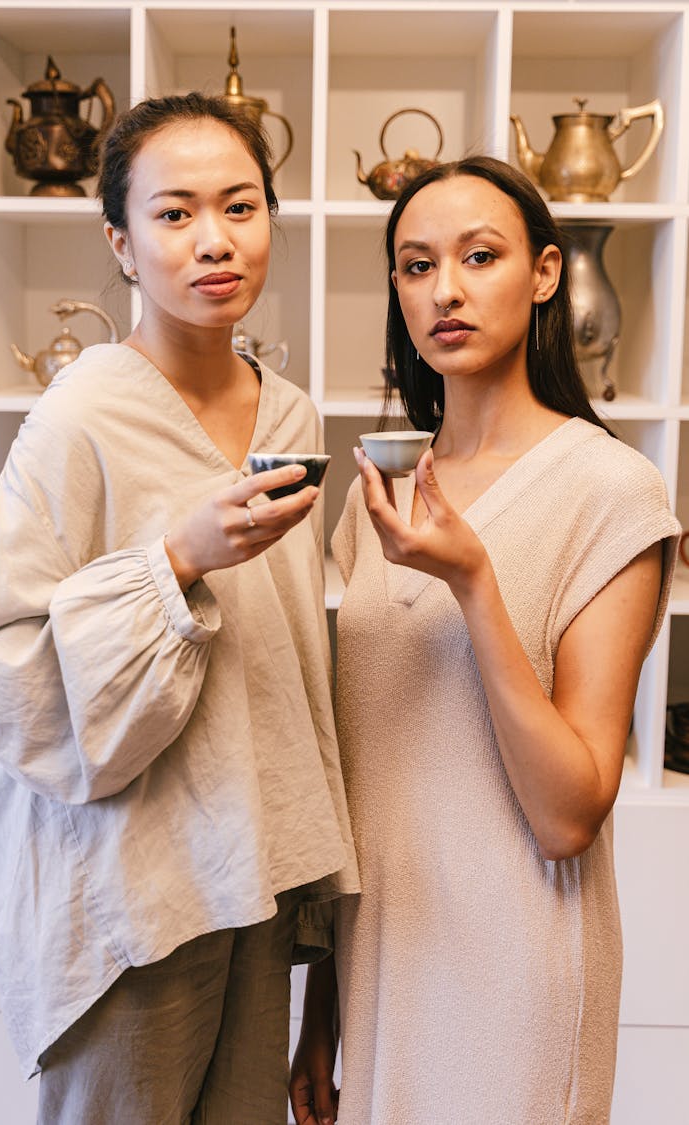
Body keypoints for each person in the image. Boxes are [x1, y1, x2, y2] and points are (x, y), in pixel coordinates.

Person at [0, 92, 358, 1125]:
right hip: (130, 889)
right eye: (174, 215)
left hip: (256, 864)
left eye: (242, 206)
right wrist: (173, 561)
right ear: (122, 245)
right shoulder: (75, 418)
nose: (215, 239)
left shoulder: (294, 415)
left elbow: (293, 648)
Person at [290, 156, 680, 1125]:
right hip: (386, 965)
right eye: (417, 266)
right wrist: (323, 1011)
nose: (446, 290)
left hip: (517, 980)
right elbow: (372, 776)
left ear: (546, 273)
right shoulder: (375, 498)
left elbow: (568, 815)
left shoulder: (611, 493)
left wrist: (473, 581)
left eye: (480, 256)